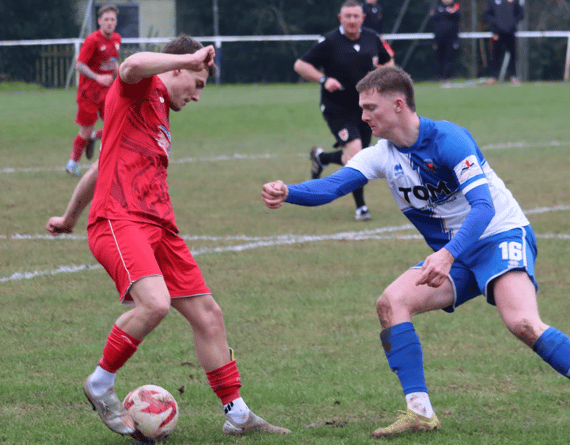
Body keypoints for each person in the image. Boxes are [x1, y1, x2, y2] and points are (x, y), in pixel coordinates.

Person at [262, 65, 570, 438]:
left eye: (369, 108)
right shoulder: (381, 154)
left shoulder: (449, 140)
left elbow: (484, 208)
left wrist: (447, 255)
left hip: (498, 236)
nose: (363, 116)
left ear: (398, 105)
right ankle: (419, 413)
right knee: (391, 303)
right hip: (456, 253)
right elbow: (332, 187)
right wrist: (289, 191)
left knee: (522, 323)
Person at [48, 35, 290, 439]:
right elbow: (129, 66)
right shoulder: (143, 85)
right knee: (155, 304)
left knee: (208, 316)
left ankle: (238, 414)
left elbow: (100, 166)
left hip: (160, 227)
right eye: (196, 84)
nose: (197, 96)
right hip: (120, 219)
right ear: (176, 68)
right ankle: (101, 383)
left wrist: (69, 216)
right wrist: (192, 56)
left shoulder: (158, 107)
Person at [294, 0, 393, 221]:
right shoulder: (329, 42)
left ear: (363, 18)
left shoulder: (372, 38)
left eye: (356, 16)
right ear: (340, 18)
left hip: (366, 108)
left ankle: (323, 158)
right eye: (347, 16)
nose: (352, 20)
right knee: (358, 156)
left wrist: (384, 80)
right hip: (337, 107)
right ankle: (361, 207)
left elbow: (388, 63)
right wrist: (323, 79)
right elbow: (300, 65)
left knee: (360, 157)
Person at [66, 4, 121, 176]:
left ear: (116, 22)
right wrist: (97, 77)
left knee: (117, 124)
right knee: (85, 131)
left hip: (108, 92)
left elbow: (112, 61)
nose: (109, 23)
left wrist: (121, 74)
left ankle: (97, 142)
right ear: (99, 21)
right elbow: (79, 65)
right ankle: (72, 163)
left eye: (112, 19)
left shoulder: (117, 39)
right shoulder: (92, 41)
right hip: (89, 93)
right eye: (106, 20)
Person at [484, 0, 523, 85]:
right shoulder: (492, 1)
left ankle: (513, 76)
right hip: (497, 33)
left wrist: (513, 22)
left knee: (513, 55)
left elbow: (520, 14)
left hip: (511, 32)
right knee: (494, 55)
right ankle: (492, 77)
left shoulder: (514, 1)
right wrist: (495, 25)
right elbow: (487, 14)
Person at [429, 0, 461, 82]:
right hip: (438, 38)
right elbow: (432, 15)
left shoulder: (455, 6)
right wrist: (447, 13)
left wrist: (442, 13)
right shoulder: (436, 6)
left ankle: (447, 77)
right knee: (439, 58)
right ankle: (438, 77)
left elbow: (456, 14)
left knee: (449, 57)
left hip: (451, 38)